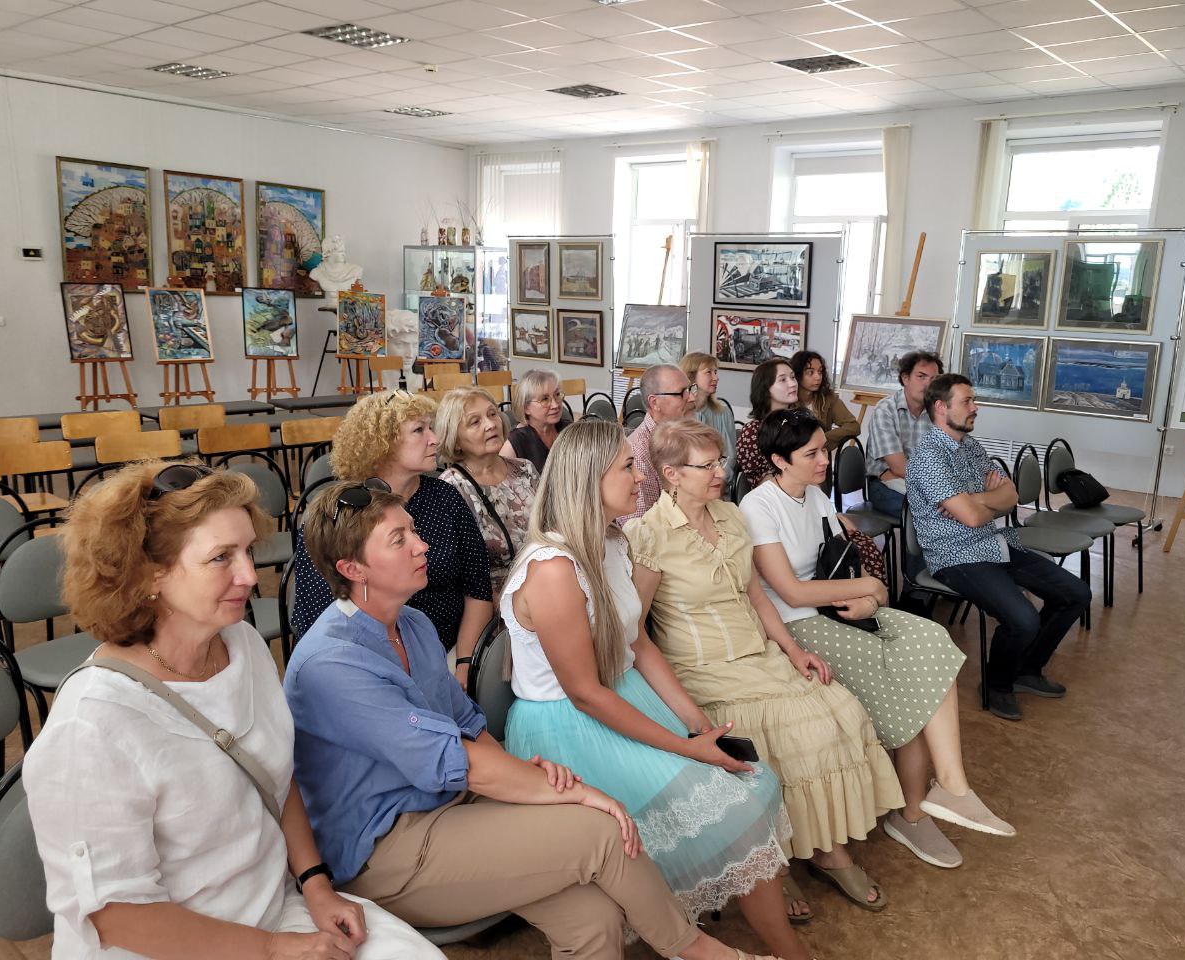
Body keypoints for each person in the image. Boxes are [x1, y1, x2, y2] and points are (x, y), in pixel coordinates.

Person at [285, 482, 773, 960]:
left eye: (413, 529)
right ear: (352, 569)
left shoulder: (412, 623)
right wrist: (570, 792)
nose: (422, 544)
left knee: (593, 917)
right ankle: (701, 951)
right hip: (384, 848)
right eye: (399, 539)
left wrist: (527, 777)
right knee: (600, 828)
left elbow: (468, 724)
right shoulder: (332, 663)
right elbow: (453, 759)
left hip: (447, 804)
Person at [24, 461, 436, 960]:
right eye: (221, 557)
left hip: (274, 908)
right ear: (149, 574)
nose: (249, 575)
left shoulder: (241, 644)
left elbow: (276, 776)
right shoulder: (91, 724)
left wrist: (316, 885)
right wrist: (273, 948)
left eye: (248, 551)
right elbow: (116, 915)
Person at [500, 420, 815, 960]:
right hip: (571, 725)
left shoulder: (611, 540)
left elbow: (638, 642)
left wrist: (695, 721)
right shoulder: (553, 568)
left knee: (745, 785)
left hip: (621, 695)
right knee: (731, 804)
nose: (641, 475)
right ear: (589, 479)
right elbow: (584, 693)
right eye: (627, 466)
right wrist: (687, 747)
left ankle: (782, 946)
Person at [629, 418, 904, 920]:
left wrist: (794, 652)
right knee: (790, 733)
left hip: (757, 652)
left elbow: (756, 595)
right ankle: (774, 859)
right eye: (707, 465)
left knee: (838, 708)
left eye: (720, 461)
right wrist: (683, 708)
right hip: (705, 666)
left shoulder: (730, 515)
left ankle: (823, 848)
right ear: (671, 474)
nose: (721, 472)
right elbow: (637, 632)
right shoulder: (649, 536)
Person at [744, 411, 1016, 870]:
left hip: (838, 606)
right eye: (811, 454)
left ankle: (951, 786)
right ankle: (913, 813)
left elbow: (841, 560)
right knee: (914, 679)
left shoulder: (814, 494)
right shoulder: (758, 507)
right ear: (778, 460)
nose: (824, 461)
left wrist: (871, 597)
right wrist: (869, 588)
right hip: (798, 622)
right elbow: (790, 591)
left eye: (824, 450)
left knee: (931, 638)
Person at [906, 374, 1092, 723]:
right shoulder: (929, 457)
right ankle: (996, 686)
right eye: (967, 401)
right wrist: (984, 502)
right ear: (941, 407)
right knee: (1023, 619)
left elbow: (1011, 496)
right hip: (954, 555)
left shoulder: (970, 446)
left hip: (994, 543)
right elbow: (974, 517)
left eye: (974, 400)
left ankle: (1026, 669)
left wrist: (974, 500)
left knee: (1075, 594)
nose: (975, 407)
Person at [291, 390, 492, 670]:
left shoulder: (445, 497)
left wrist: (464, 664)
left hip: (451, 651)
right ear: (382, 445)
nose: (434, 439)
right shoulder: (341, 515)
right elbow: (318, 618)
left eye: (431, 428)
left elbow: (478, 589)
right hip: (365, 664)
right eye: (419, 430)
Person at [435, 385, 539, 602]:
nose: (491, 424)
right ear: (455, 439)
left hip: (545, 585)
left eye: (492, 414)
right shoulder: (450, 488)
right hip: (495, 605)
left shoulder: (524, 469)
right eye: (475, 422)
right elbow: (460, 575)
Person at [864, 351, 944, 520]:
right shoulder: (885, 409)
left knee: (956, 509)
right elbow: (900, 468)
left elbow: (945, 460)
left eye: (934, 379)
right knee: (935, 514)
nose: (928, 384)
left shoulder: (939, 412)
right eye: (921, 376)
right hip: (883, 484)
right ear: (905, 378)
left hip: (923, 484)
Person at [618, 363, 694, 525]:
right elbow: (639, 528)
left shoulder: (683, 435)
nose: (691, 397)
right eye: (681, 393)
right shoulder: (638, 454)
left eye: (689, 389)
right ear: (655, 403)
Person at [736, 359, 798, 490]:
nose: (793, 384)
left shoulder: (800, 423)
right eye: (783, 380)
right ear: (766, 388)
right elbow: (765, 483)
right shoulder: (752, 432)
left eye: (793, 377)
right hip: (773, 497)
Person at [681, 351, 736, 486]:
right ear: (691, 377)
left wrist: (714, 478)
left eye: (715, 372)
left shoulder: (723, 412)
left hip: (718, 484)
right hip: (686, 485)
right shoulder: (679, 413)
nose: (716, 378)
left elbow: (730, 459)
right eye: (709, 372)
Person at [791, 350, 859, 456]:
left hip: (821, 458)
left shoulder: (828, 398)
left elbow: (854, 426)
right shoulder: (786, 399)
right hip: (792, 459)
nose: (818, 377)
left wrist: (822, 439)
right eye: (810, 372)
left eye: (820, 372)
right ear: (797, 375)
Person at [499, 368, 566, 473]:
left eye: (557, 395)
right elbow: (503, 482)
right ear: (526, 407)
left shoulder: (569, 430)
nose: (555, 405)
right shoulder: (514, 444)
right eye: (545, 399)